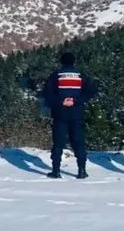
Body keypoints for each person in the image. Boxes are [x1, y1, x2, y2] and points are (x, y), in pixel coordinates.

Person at [41, 51, 99, 179]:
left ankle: (56, 171)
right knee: (78, 142)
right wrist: (76, 101)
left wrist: (61, 101)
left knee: (58, 143)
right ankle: (82, 170)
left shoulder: (56, 75)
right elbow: (91, 91)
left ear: (61, 62)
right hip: (77, 113)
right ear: (74, 62)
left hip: (59, 113)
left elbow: (47, 94)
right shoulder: (80, 75)